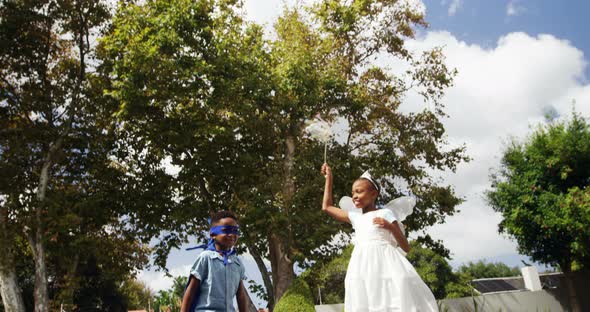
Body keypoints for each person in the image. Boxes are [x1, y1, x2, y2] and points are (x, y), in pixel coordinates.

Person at [321, 163, 438, 312]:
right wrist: (329, 178)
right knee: (365, 298)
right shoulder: (355, 217)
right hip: (361, 265)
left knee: (389, 297)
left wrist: (390, 226)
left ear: (373, 194)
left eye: (359, 191)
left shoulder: (385, 214)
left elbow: (406, 247)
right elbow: (327, 207)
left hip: (385, 263)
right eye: (353, 193)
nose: (354, 196)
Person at [180, 211, 249, 312]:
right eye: (226, 230)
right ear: (213, 234)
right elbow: (190, 291)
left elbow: (241, 294)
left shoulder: (237, 262)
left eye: (235, 230)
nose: (231, 234)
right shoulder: (205, 258)